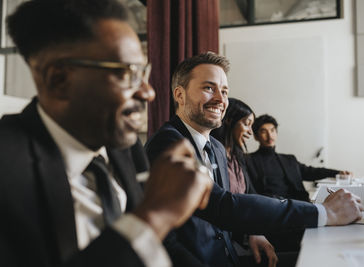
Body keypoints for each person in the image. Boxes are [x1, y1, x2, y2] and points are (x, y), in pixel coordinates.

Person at [0, 1, 214, 266]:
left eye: (143, 72)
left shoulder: (125, 146)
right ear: (59, 80)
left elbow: (159, 247)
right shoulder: (7, 167)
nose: (148, 92)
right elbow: (149, 230)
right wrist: (154, 216)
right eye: (127, 73)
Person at [145, 52, 363, 266]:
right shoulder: (168, 144)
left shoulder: (217, 148)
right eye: (208, 88)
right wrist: (324, 212)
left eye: (224, 91)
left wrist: (252, 231)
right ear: (179, 95)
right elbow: (223, 206)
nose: (221, 100)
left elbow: (228, 209)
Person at [211, 98, 278, 267]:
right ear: (228, 121)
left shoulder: (237, 157)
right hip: (225, 242)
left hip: (243, 235)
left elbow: (251, 196)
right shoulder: (212, 156)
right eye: (246, 124)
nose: (250, 131)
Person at [248, 114, 352, 202]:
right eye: (263, 131)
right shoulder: (249, 160)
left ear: (276, 133)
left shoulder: (289, 159)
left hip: (301, 204)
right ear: (256, 136)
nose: (269, 136)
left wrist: (337, 172)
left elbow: (311, 172)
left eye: (272, 130)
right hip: (274, 208)